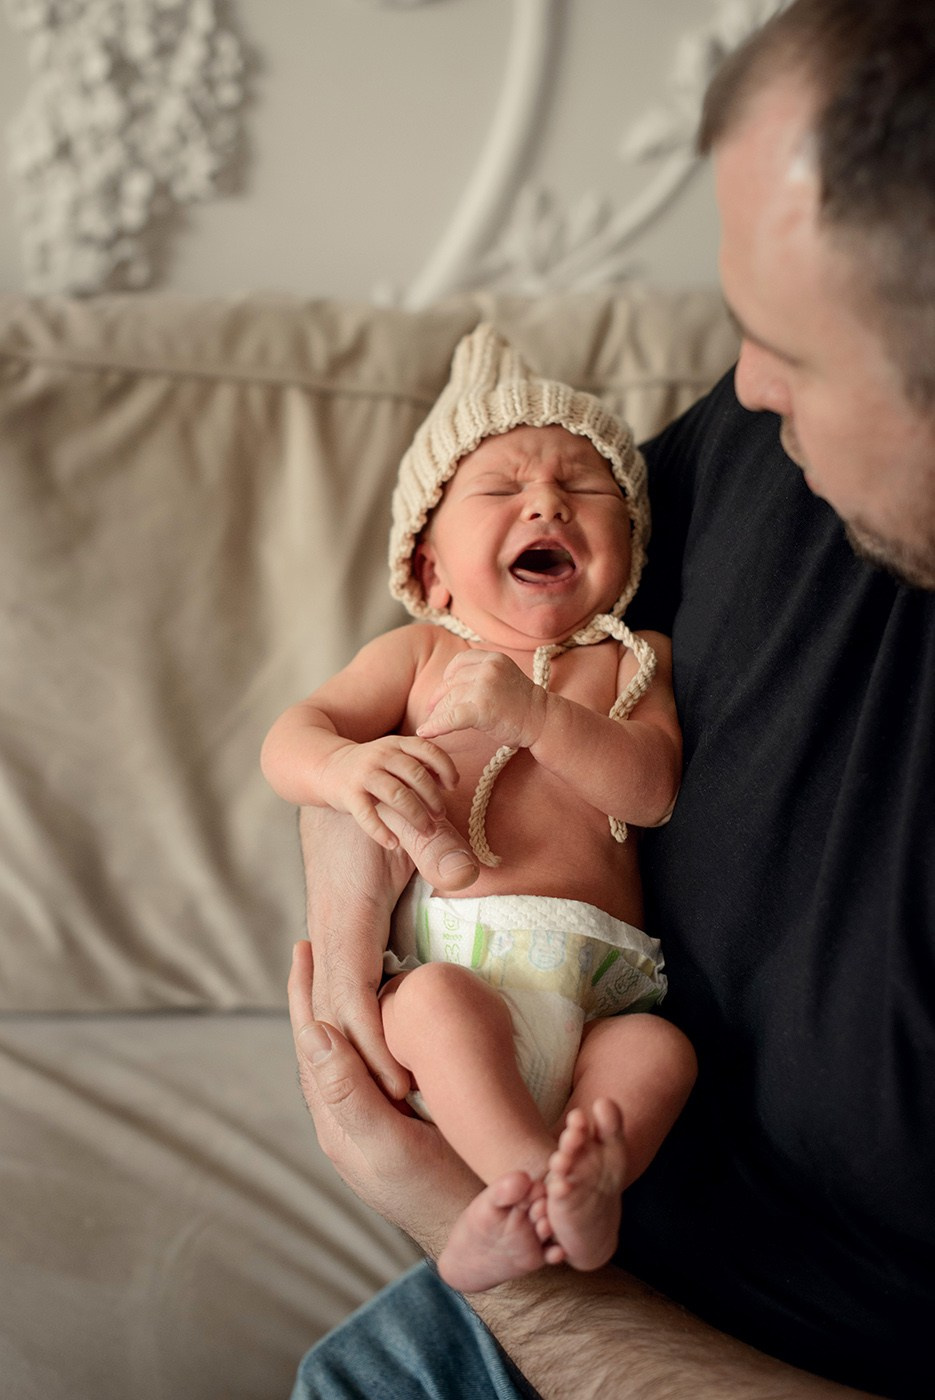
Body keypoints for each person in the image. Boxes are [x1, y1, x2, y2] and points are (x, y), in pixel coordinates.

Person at [287, 0, 935, 1395]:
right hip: (493, 1190)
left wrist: (461, 1227)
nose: (742, 387)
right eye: (738, 327)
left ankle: (530, 1205)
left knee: (643, 1059)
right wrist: (350, 957)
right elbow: (366, 707)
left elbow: (634, 772)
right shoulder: (766, 462)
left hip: (641, 1337)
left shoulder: (621, 671)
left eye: (798, 355)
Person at [263, 323, 696, 1293]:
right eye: (500, 490)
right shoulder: (421, 652)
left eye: (584, 489)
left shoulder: (635, 660)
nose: (545, 498)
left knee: (659, 1052)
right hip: (467, 961)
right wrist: (341, 768)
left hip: (602, 983)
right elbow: (290, 735)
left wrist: (536, 713)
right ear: (428, 570)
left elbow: (652, 789)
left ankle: (593, 1173)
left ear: (624, 558)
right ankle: (526, 1185)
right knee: (428, 1008)